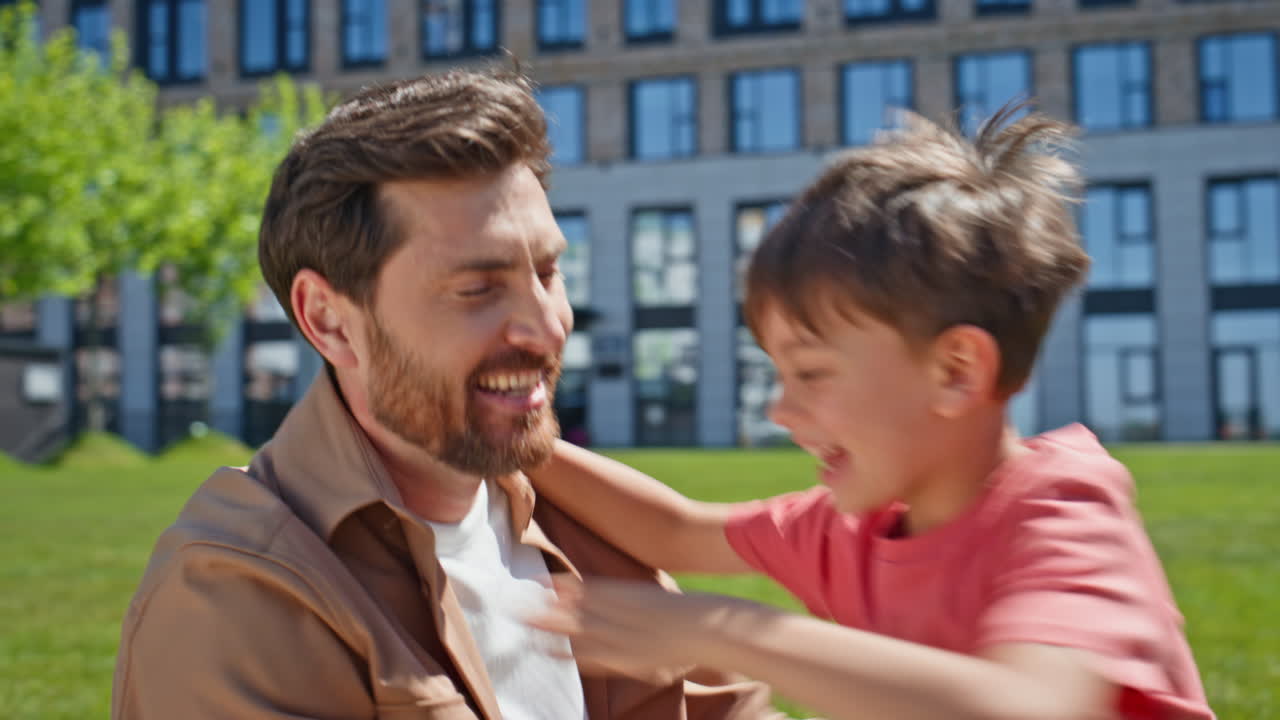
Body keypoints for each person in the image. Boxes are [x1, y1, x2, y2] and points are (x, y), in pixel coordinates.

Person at [111, 68, 780, 720]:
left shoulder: (591, 525)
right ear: (329, 320)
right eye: (477, 289)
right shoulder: (240, 596)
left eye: (549, 272)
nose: (549, 326)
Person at [528, 105, 1215, 720]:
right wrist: (517, 435)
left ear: (957, 371)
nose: (781, 410)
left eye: (812, 374)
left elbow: (1027, 706)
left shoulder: (1061, 513)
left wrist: (723, 630)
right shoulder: (849, 529)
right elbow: (677, 532)